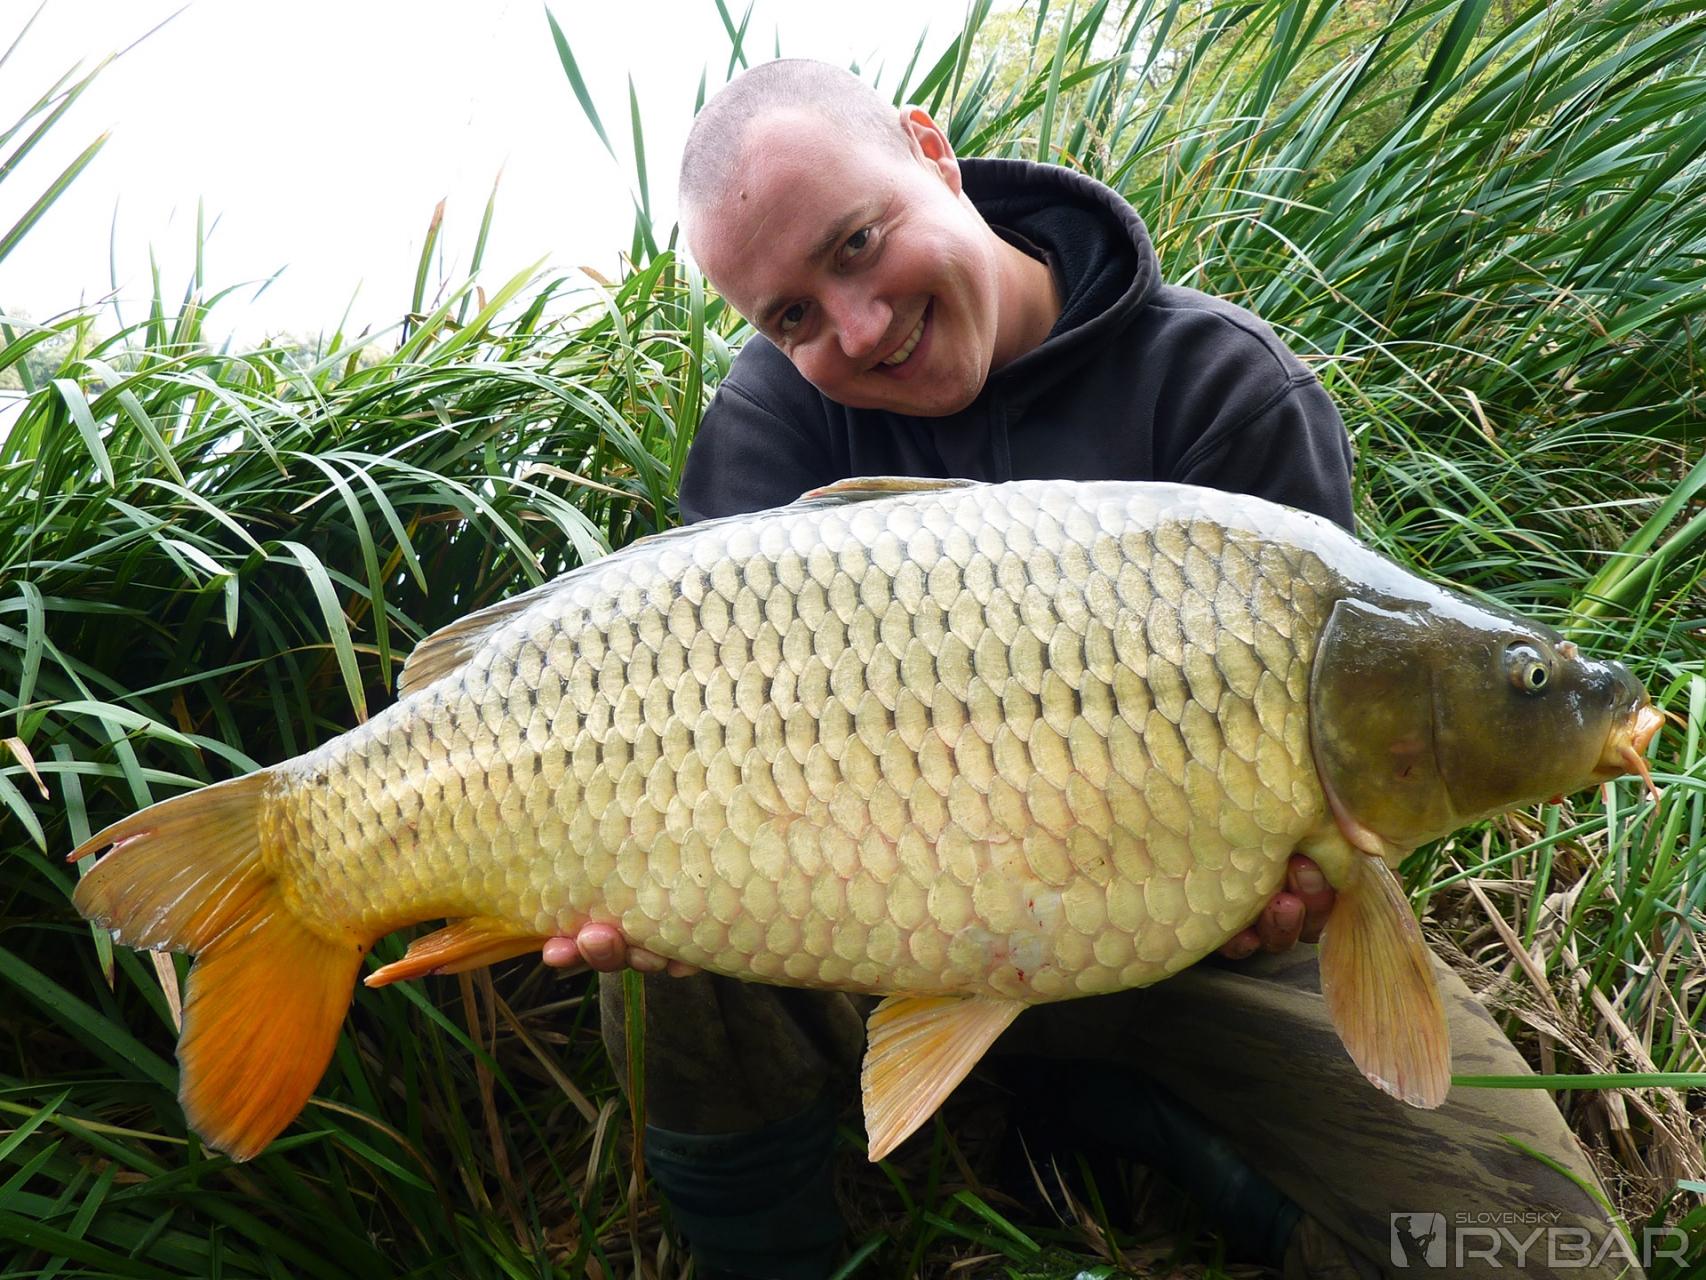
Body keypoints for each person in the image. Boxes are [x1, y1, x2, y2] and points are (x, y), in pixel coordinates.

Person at [541, 59, 1637, 1280]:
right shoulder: (776, 418)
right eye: (790, 316)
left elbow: (1347, 795)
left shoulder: (1222, 385)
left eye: (857, 244)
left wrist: (1307, 885)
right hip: (868, 921)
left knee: (1547, 1256)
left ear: (931, 154)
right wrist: (658, 889)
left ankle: (1136, 1125)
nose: (854, 327)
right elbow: (687, 707)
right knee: (656, 873)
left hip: (1196, 946)